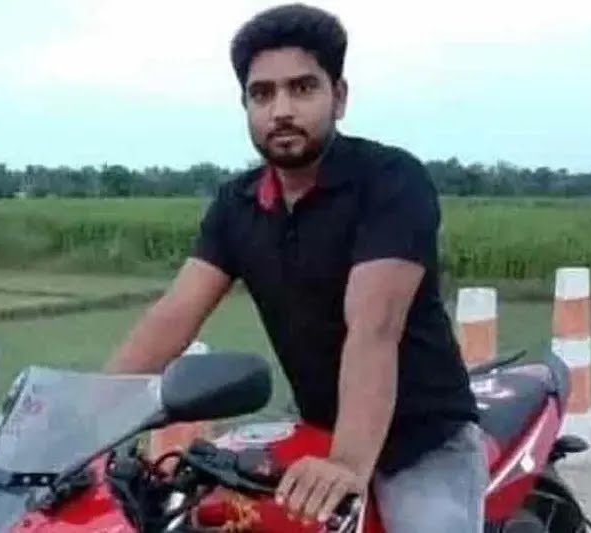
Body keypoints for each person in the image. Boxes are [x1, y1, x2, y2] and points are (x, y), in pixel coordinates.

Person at [106, 3, 488, 531]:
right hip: (317, 430)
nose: (281, 110)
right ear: (245, 105)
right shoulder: (237, 205)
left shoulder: (389, 181)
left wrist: (347, 463)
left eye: (302, 88)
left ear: (340, 97)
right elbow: (172, 316)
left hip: (423, 441)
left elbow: (374, 328)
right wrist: (83, 418)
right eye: (262, 94)